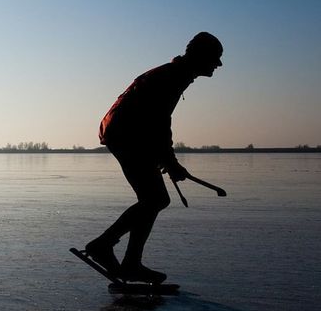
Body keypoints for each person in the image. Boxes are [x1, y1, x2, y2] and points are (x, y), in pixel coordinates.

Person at [84, 32, 223, 284]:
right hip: (126, 135)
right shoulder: (172, 77)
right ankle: (105, 247)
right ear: (200, 56)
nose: (218, 64)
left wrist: (166, 159)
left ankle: (126, 260)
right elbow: (157, 123)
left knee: (153, 199)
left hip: (126, 134)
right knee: (155, 198)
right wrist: (170, 162)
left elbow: (154, 122)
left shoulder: (175, 74)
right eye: (216, 58)